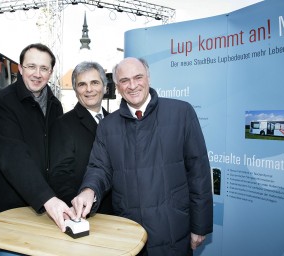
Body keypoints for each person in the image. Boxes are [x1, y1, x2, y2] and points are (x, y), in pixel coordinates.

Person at [71, 57, 213, 256]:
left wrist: (200, 225)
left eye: (138, 77)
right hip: (129, 231)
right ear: (117, 87)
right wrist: (88, 190)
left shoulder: (181, 113)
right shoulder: (107, 126)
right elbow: (99, 168)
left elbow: (199, 173)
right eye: (124, 81)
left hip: (173, 230)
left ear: (148, 78)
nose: (132, 85)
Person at [0, 43, 76, 256]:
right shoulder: (2, 102)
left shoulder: (56, 106)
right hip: (12, 209)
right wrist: (48, 198)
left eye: (44, 68)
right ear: (21, 68)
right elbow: (13, 156)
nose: (37, 74)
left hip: (47, 210)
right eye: (31, 66)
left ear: (51, 72)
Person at [49, 61, 113, 214]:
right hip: (85, 214)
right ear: (75, 90)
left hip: (119, 213)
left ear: (105, 87)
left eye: (95, 83)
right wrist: (77, 211)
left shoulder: (115, 122)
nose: (89, 89)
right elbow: (60, 175)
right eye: (82, 84)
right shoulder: (63, 124)